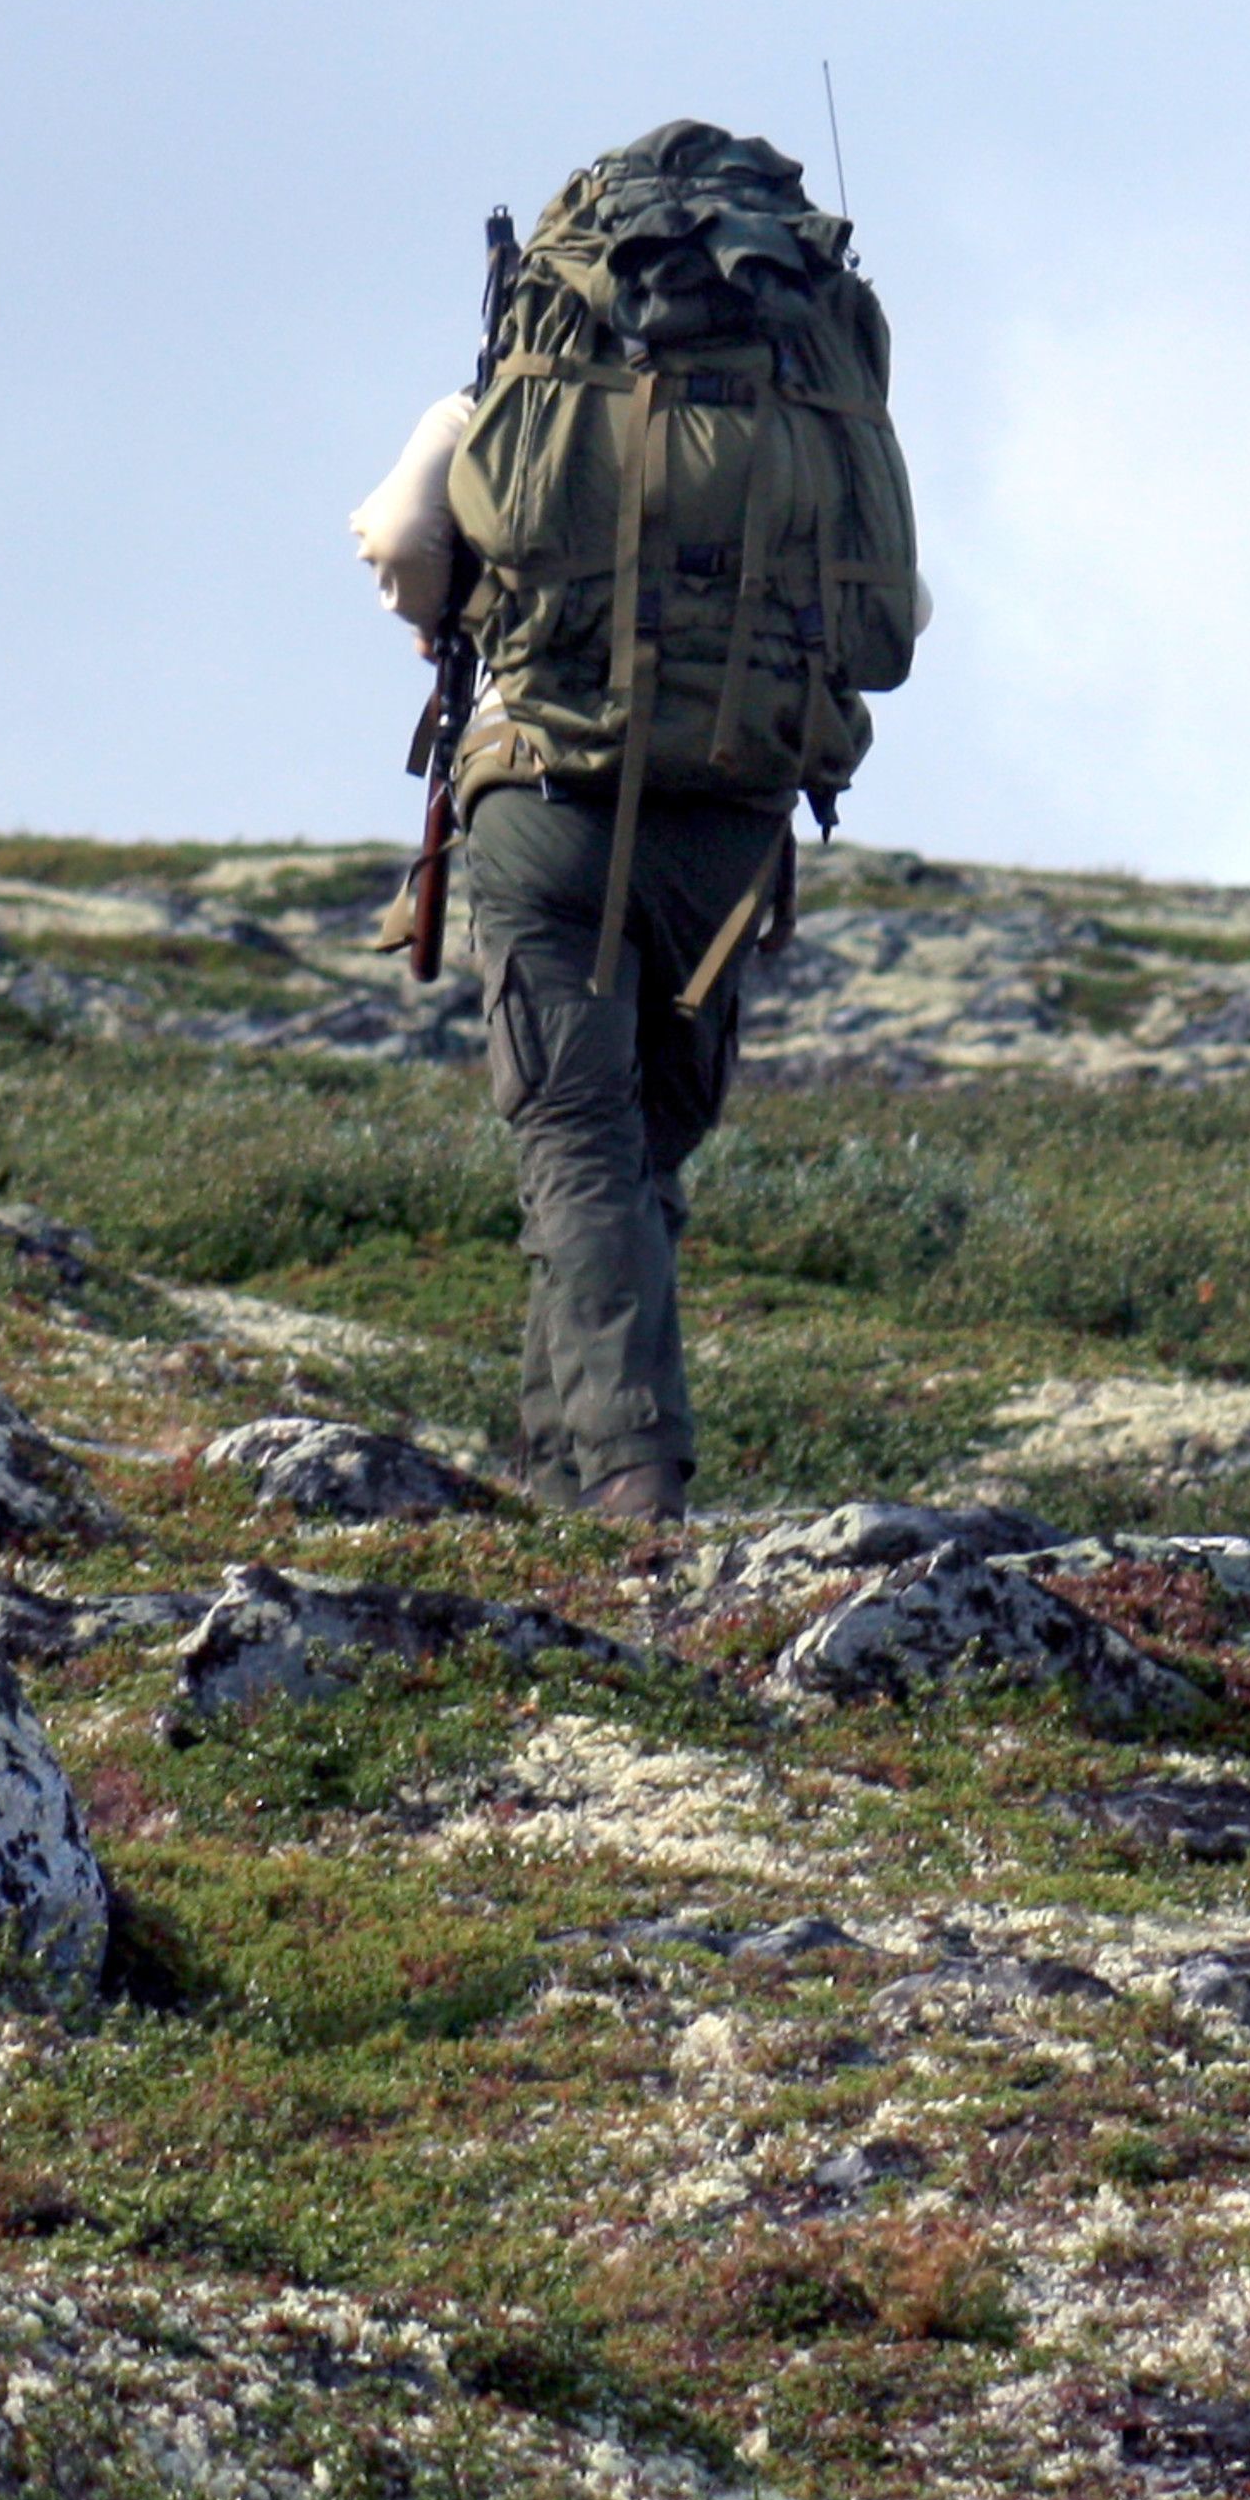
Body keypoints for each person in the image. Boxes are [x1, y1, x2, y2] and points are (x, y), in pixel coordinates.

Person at [352, 121, 924, 1525]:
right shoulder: (820, 401)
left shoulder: (515, 382)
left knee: (575, 1139)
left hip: (546, 798)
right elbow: (896, 614)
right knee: (636, 1149)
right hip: (732, 815)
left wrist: (459, 614)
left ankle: (627, 1476)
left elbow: (401, 545)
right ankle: (565, 1474)